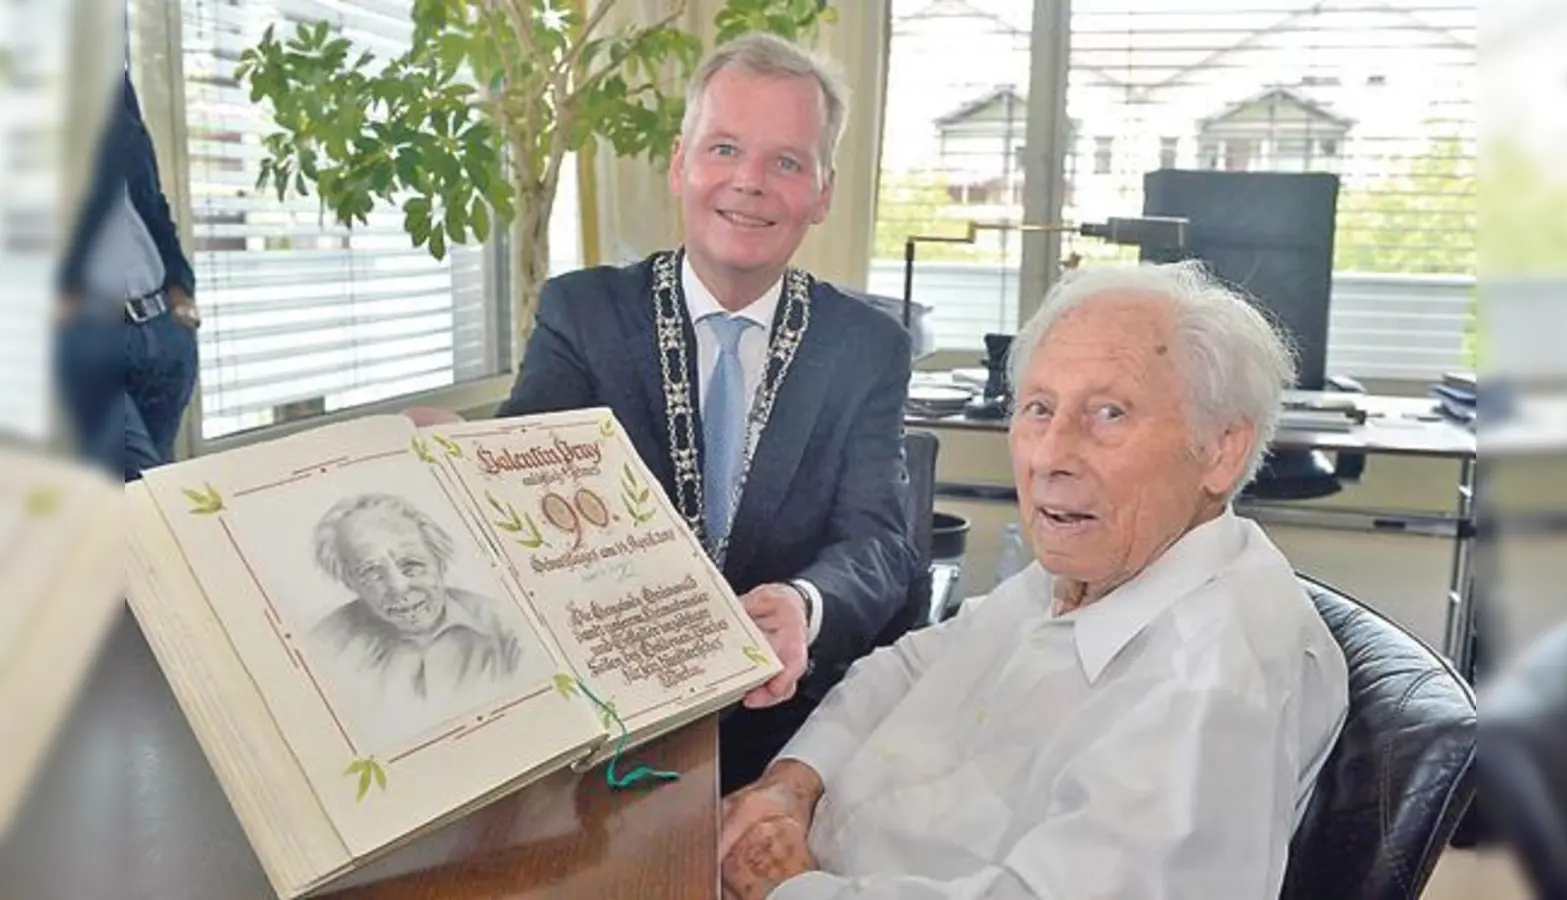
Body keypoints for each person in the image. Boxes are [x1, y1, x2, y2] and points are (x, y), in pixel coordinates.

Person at [717, 261, 1351, 899]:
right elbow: (907, 667)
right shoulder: (1092, 567)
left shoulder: (1214, 687)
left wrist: (790, 888)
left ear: (1222, 450)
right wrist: (791, 785)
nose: (1050, 455)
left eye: (1109, 413)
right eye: (1039, 408)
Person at [410, 33, 918, 792]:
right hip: (599, 725)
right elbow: (523, 471)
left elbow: (879, 542)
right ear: (679, 164)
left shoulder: (868, 346)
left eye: (786, 162)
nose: (749, 182)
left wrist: (806, 606)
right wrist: (459, 463)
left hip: (783, 732)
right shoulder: (582, 314)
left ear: (823, 194)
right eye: (724, 148)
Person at [55, 68, 201, 482]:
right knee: (149, 495)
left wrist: (180, 293)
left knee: (153, 490)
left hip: (160, 332)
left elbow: (151, 204)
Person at [310, 493, 527, 702]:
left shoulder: (507, 628)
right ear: (350, 582)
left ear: (439, 561)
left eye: (412, 565)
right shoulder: (324, 646)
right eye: (372, 573)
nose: (399, 587)